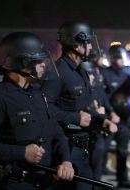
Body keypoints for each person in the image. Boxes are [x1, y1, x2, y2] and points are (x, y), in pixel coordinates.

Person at [0, 32, 74, 190]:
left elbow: (57, 133)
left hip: (45, 183)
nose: (44, 64)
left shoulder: (37, 94)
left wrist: (66, 161)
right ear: (21, 61)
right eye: (38, 60)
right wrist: (21, 152)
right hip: (14, 184)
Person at [42, 21, 117, 190]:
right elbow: (44, 108)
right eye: (88, 42)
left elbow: (82, 107)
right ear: (77, 45)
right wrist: (75, 118)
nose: (90, 46)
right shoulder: (58, 71)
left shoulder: (79, 70)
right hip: (64, 150)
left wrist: (100, 120)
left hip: (82, 147)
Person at [102, 45, 130, 189]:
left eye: (121, 57)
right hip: (108, 120)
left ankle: (123, 180)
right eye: (117, 57)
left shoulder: (126, 76)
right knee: (102, 149)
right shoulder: (104, 74)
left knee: (123, 151)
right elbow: (102, 97)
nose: (120, 60)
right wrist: (110, 112)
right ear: (111, 58)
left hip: (123, 121)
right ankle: (96, 180)